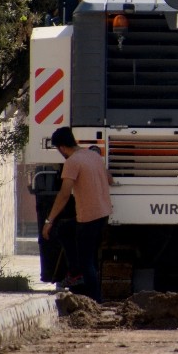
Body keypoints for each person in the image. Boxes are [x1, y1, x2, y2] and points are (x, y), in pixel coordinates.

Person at [41, 127, 113, 301]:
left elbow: (64, 194)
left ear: (62, 148)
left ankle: (94, 300)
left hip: (88, 217)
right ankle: (74, 272)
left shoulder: (72, 162)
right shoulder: (93, 156)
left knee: (86, 260)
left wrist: (49, 220)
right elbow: (109, 178)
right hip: (103, 213)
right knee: (65, 230)